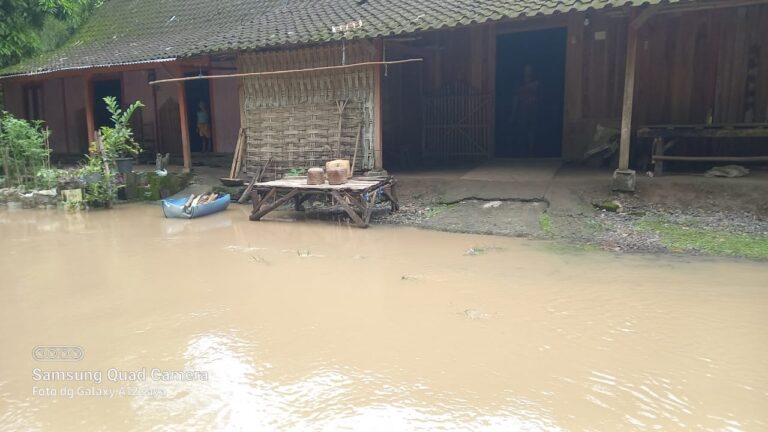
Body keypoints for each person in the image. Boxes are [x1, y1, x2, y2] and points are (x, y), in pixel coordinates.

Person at [509, 64, 539, 156]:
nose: (528, 73)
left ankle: (531, 150)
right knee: (522, 130)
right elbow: (515, 99)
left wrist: (535, 100)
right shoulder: (519, 84)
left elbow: (541, 97)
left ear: (532, 72)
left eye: (529, 70)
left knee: (532, 130)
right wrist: (513, 114)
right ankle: (521, 151)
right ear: (523, 72)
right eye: (526, 70)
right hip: (522, 111)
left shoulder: (537, 84)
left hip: (533, 110)